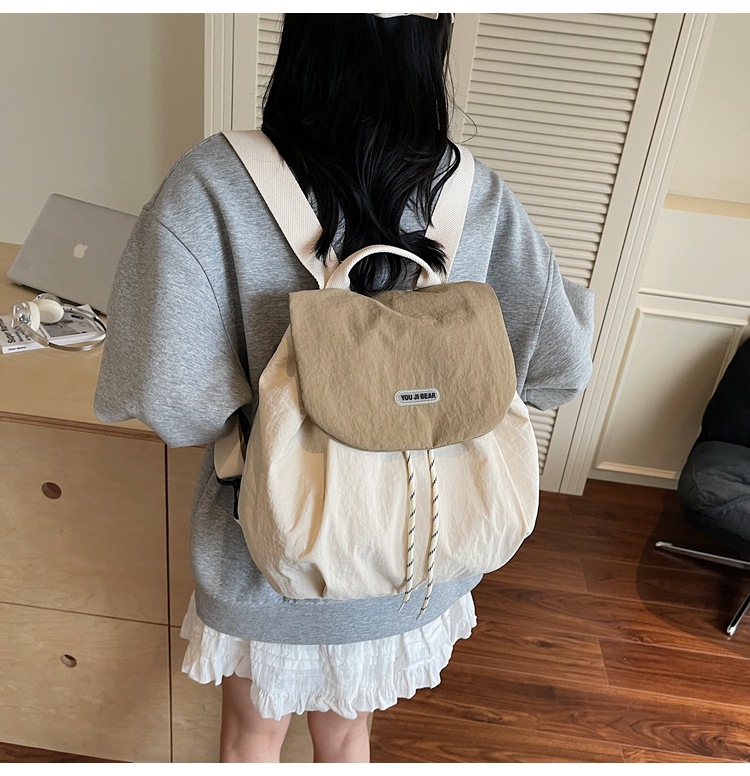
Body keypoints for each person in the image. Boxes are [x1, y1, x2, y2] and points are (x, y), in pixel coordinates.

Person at [93, 13, 594, 764]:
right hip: (417, 547)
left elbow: (176, 403)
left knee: (250, 739)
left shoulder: (212, 184)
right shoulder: (475, 194)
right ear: (428, 48)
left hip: (270, 552)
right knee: (349, 736)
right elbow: (560, 369)